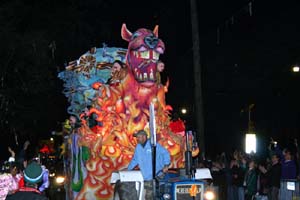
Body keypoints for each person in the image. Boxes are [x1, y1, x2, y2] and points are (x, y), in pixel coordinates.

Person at [127, 130, 170, 199]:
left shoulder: (153, 145)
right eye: (137, 137)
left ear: (144, 137)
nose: (137, 139)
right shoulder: (138, 147)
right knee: (149, 196)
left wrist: (166, 165)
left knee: (157, 195)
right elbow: (135, 160)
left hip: (158, 174)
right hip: (147, 177)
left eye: (139, 137)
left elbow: (165, 153)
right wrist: (128, 169)